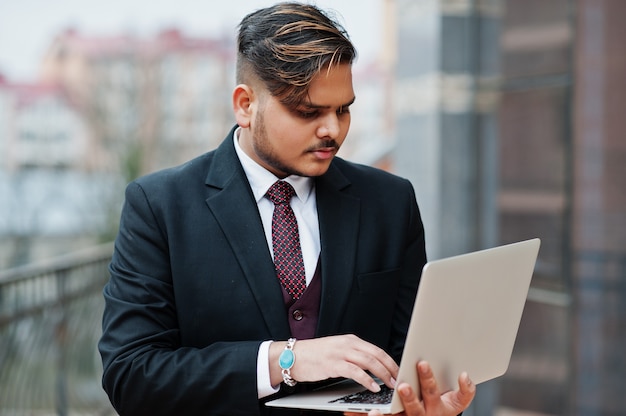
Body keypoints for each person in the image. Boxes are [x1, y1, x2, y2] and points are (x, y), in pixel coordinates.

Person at [98, 2, 475, 415]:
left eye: (343, 109)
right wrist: (284, 360)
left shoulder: (390, 201)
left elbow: (408, 362)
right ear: (245, 104)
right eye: (308, 112)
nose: (332, 130)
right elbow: (131, 375)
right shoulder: (160, 206)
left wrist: (426, 407)